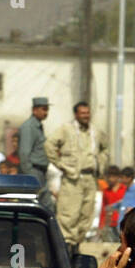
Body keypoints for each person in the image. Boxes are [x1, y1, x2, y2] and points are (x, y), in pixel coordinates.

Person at [45, 101, 107, 255]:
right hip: (72, 179)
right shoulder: (66, 129)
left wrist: (101, 163)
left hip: (90, 178)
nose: (86, 116)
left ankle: (76, 246)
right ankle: (66, 249)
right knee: (68, 214)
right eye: (82, 113)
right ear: (76, 114)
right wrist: (61, 165)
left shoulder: (95, 131)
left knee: (86, 215)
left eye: (87, 113)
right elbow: (49, 145)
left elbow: (105, 148)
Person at [17, 96, 51, 210]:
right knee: (32, 206)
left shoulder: (38, 126)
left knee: (45, 205)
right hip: (33, 172)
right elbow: (24, 153)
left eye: (47, 109)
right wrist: (29, 177)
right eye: (43, 109)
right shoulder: (29, 127)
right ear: (34, 110)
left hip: (41, 172)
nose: (46, 112)